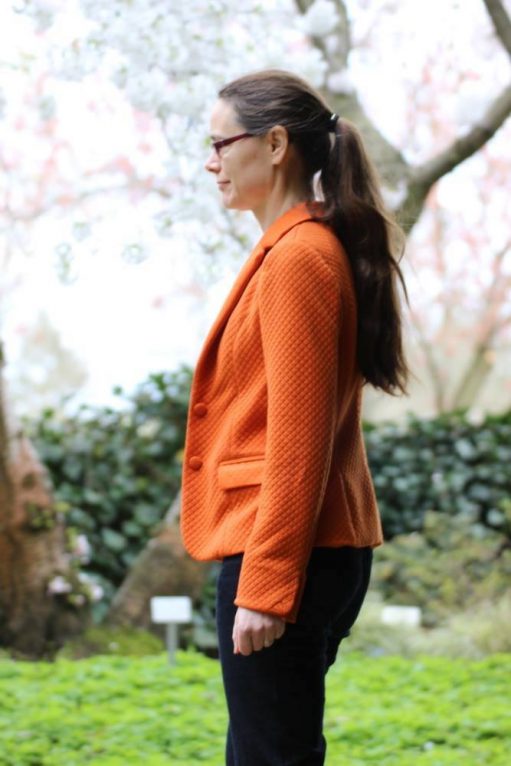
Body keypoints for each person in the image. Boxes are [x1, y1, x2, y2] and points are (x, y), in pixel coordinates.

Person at [180, 69, 408, 766]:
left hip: (283, 550)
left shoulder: (299, 258)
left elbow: (298, 438)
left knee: (271, 756)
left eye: (221, 144)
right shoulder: (296, 249)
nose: (211, 162)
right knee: (264, 750)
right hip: (303, 548)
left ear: (275, 144)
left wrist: (267, 585)